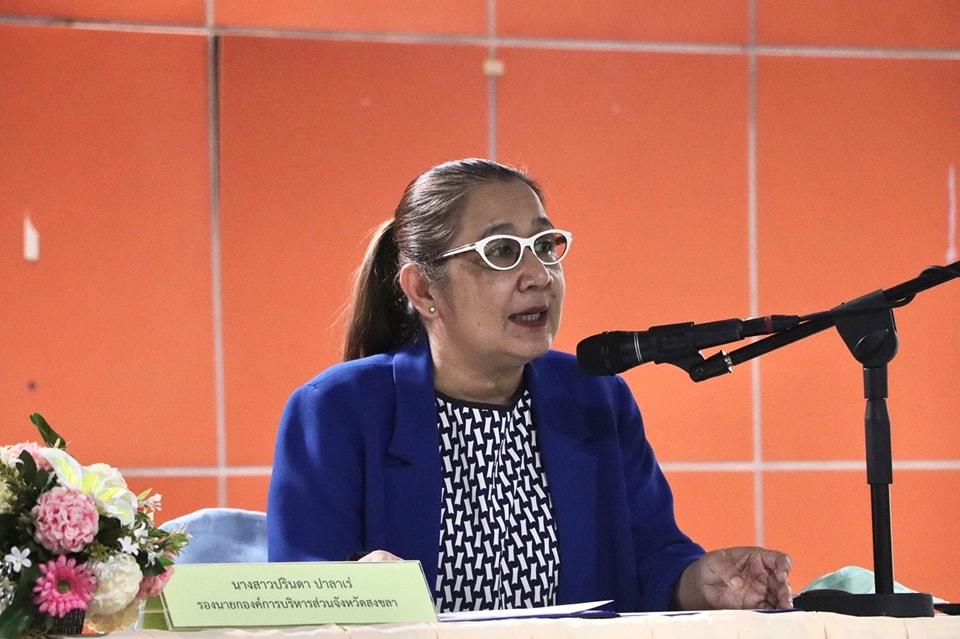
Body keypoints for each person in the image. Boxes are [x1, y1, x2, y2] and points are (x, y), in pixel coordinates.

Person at [267, 158, 792, 612]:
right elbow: (302, 591)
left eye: (544, 245)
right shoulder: (338, 408)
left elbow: (652, 559)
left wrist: (701, 583)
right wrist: (355, 586)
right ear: (424, 289)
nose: (539, 274)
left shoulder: (594, 396)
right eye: (501, 251)